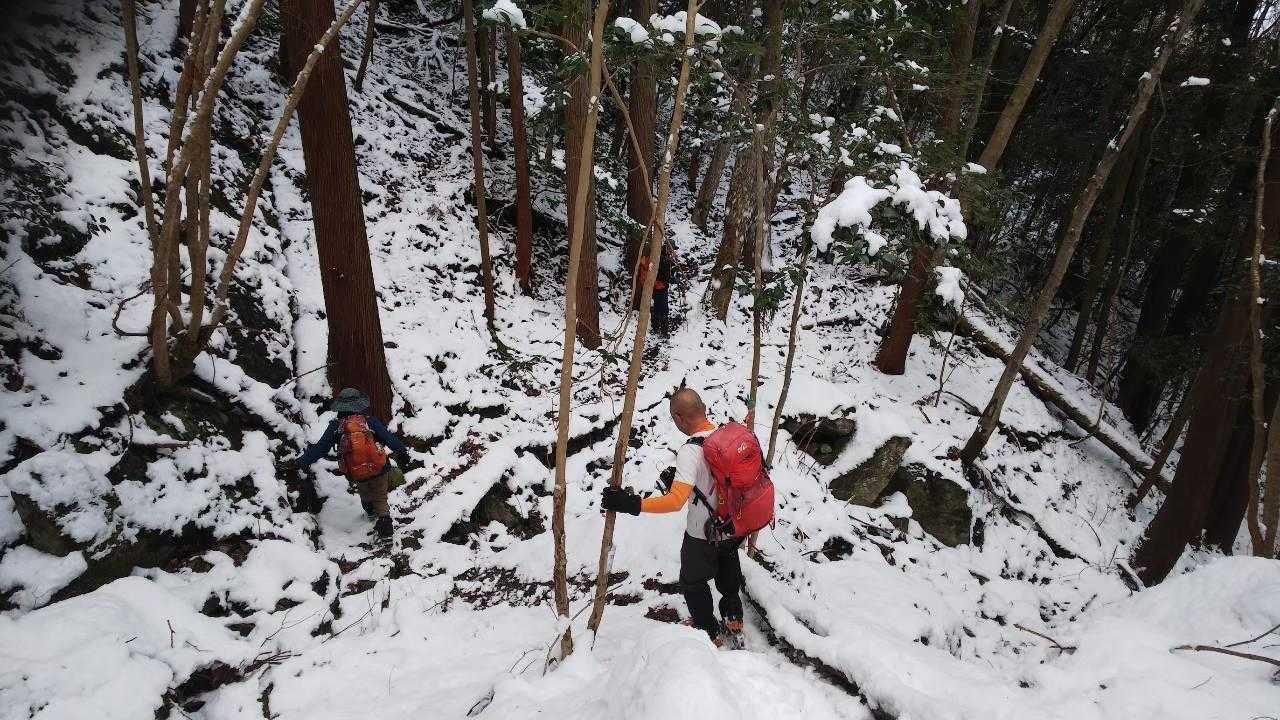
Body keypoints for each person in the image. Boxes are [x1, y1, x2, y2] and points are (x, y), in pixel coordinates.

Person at [600, 388, 744, 647]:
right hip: (734, 524)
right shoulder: (726, 435)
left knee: (692, 582)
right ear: (703, 408)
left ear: (679, 418)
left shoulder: (691, 450)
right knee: (727, 568)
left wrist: (631, 503)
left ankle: (709, 631)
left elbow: (675, 501)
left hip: (702, 532)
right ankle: (734, 617)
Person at [282, 388, 410, 540]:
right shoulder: (370, 422)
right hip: (379, 468)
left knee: (366, 495)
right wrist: (403, 453)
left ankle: (371, 517)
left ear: (340, 407)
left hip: (355, 473)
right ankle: (384, 527)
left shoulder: (336, 427)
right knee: (380, 496)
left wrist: (298, 463)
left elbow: (320, 450)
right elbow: (390, 439)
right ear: (359, 405)